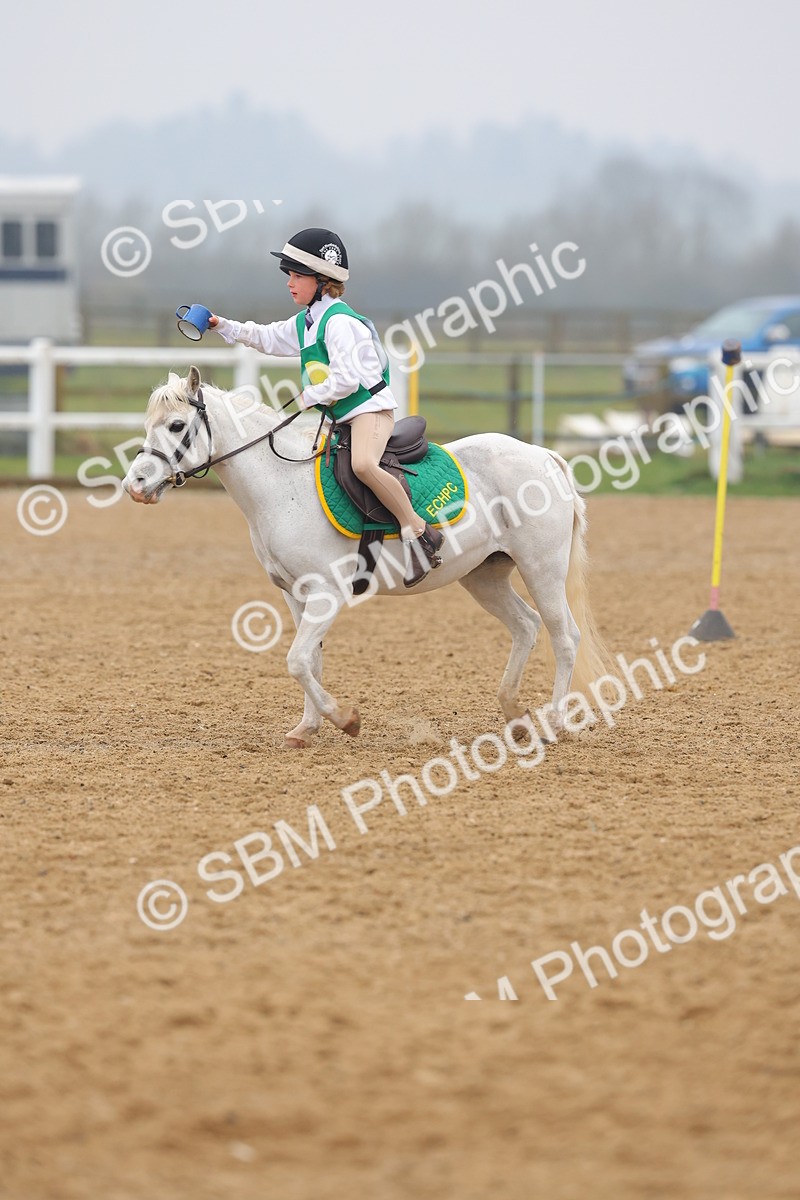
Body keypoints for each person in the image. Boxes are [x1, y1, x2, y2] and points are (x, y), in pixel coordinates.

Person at [208, 227, 443, 588]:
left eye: (297, 276)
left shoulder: (340, 323)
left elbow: (347, 380)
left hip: (370, 412)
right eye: (289, 275)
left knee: (363, 465)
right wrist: (222, 325)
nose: (290, 283)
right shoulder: (307, 322)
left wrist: (309, 396)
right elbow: (266, 338)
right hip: (342, 416)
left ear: (322, 281)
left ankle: (419, 530)